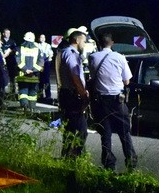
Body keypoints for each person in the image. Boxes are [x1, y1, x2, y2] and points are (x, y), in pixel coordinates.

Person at [87, 32, 137, 172]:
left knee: (105, 134)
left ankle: (109, 164)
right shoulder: (119, 57)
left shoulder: (92, 57)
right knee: (124, 132)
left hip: (101, 102)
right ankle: (131, 162)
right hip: (117, 101)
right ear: (112, 43)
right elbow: (126, 80)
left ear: (99, 43)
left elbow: (93, 76)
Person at [57, 27, 89, 157]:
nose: (84, 44)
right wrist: (83, 94)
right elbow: (75, 76)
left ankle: (66, 155)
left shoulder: (65, 52)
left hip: (67, 93)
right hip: (72, 94)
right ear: (76, 40)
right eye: (83, 41)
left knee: (70, 128)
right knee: (81, 130)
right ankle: (74, 156)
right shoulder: (71, 54)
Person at [16, 31, 43, 114]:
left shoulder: (20, 48)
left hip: (23, 74)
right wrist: (33, 70)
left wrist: (25, 70)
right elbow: (41, 62)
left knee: (23, 91)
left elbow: (17, 60)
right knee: (33, 92)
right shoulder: (38, 49)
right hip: (34, 75)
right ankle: (32, 109)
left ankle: (25, 108)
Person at [36, 33, 54, 102]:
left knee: (46, 80)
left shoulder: (47, 45)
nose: (42, 39)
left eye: (43, 37)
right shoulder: (37, 45)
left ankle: (48, 96)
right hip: (39, 64)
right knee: (40, 80)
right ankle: (40, 95)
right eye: (41, 37)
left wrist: (50, 56)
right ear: (39, 38)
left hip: (46, 64)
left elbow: (50, 53)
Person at [2, 28, 19, 97]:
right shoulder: (1, 41)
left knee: (12, 77)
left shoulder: (12, 41)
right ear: (3, 34)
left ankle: (13, 91)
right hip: (3, 61)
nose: (8, 34)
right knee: (3, 77)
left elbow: (15, 49)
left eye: (9, 33)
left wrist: (10, 51)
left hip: (11, 61)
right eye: (6, 33)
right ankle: (2, 91)